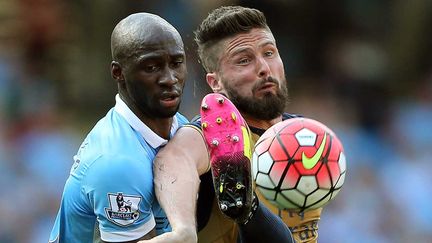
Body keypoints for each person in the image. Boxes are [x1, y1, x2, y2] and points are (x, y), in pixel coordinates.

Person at [148, 6, 322, 243]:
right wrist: (182, 229)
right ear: (215, 82)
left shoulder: (305, 134)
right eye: (244, 60)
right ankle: (244, 205)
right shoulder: (215, 133)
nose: (264, 68)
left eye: (269, 53)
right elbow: (176, 158)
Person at [48, 12, 189, 242]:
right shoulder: (117, 161)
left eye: (176, 63)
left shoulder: (181, 127)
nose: (169, 78)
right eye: (152, 67)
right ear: (118, 73)